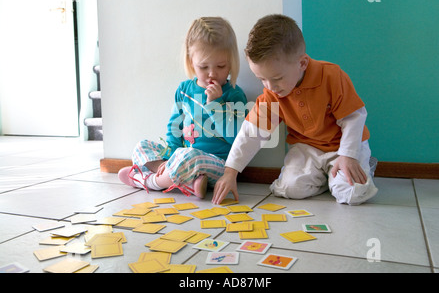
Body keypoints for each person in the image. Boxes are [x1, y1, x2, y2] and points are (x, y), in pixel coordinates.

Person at [212, 14, 378, 205]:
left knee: (352, 194)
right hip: (306, 148)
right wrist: (230, 172)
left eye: (277, 78)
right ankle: (325, 178)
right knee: (289, 189)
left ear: (302, 63)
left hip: (342, 148)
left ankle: (363, 166)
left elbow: (353, 118)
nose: (270, 86)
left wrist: (348, 155)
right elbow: (252, 133)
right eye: (262, 80)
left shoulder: (332, 76)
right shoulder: (271, 94)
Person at [119, 17, 247, 198]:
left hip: (218, 165)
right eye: (203, 67)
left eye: (221, 66)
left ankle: (151, 181)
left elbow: (237, 139)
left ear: (231, 62)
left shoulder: (234, 94)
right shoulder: (184, 90)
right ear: (190, 61)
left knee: (190, 156)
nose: (212, 73)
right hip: (181, 159)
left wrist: (215, 105)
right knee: (142, 146)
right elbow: (174, 127)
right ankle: (188, 181)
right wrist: (170, 157)